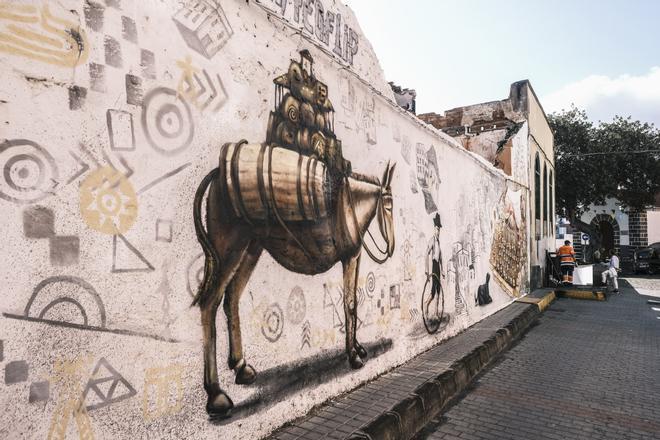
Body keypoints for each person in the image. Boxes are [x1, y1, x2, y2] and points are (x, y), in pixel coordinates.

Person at [426, 213, 444, 304]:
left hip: (438, 268)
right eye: (437, 229)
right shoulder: (432, 240)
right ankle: (426, 306)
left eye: (439, 230)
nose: (438, 232)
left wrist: (443, 270)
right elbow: (427, 253)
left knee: (438, 291)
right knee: (433, 291)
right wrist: (427, 270)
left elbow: (440, 257)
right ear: (434, 229)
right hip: (434, 265)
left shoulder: (438, 242)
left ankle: (436, 313)